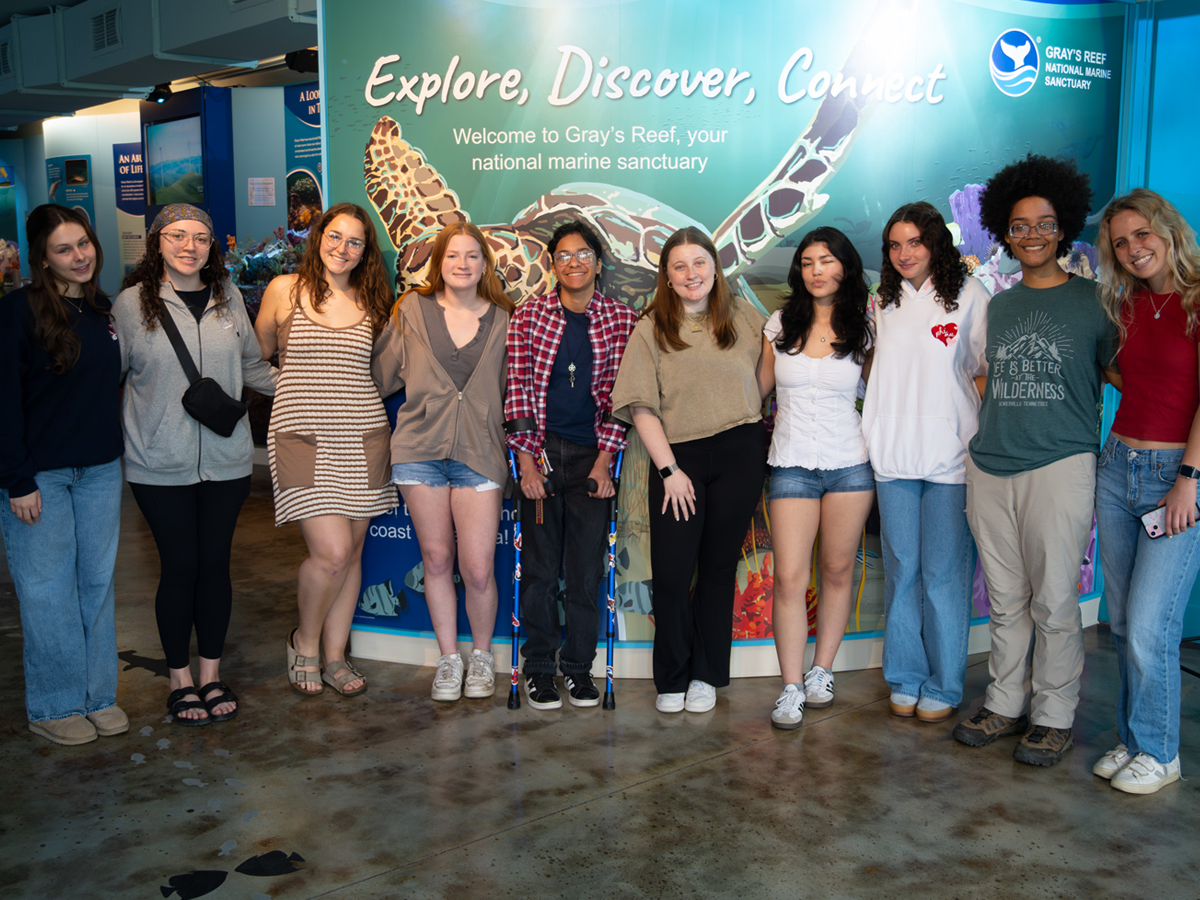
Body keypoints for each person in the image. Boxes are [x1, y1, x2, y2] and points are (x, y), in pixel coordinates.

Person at [951, 155, 1119, 765]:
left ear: (1064, 227)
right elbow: (985, 379)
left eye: (1044, 224)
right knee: (1006, 598)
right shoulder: (1000, 306)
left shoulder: (1097, 302)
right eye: (1019, 227)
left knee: (1053, 600)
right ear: (1005, 232)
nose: (1031, 236)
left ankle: (1053, 715)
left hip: (1061, 464)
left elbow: (1127, 374)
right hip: (991, 464)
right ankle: (1004, 702)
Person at [113, 204, 277, 726]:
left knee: (215, 566)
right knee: (180, 565)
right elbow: (107, 378)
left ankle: (210, 674)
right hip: (158, 463)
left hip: (226, 462)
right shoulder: (131, 305)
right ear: (157, 242)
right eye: (178, 236)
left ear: (212, 247)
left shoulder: (228, 299)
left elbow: (252, 366)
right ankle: (178, 677)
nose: (190, 246)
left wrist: (313, 388)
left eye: (201, 238)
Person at [610, 226, 767, 715]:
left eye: (699, 262)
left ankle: (706, 675)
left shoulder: (744, 317)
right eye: (679, 266)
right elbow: (641, 406)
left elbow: (771, 367)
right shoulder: (651, 327)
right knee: (675, 575)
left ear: (714, 267)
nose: (691, 273)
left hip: (740, 451)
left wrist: (746, 410)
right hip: (678, 462)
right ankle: (672, 677)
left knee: (719, 571)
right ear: (668, 276)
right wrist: (670, 471)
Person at [255, 203, 397, 698]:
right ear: (318, 238)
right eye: (335, 237)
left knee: (353, 553)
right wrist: (297, 391)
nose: (343, 248)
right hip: (301, 437)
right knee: (330, 552)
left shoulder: (374, 301)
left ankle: (336, 656)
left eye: (355, 241)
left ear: (365, 251)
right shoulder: (283, 291)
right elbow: (259, 359)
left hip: (364, 434)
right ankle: (305, 643)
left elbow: (382, 374)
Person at [0, 205, 125, 745]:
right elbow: (3, 401)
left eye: (83, 244)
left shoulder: (103, 309)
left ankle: (98, 696)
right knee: (47, 591)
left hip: (100, 470)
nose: (79, 257)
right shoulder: (17, 311)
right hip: (41, 476)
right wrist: (17, 479)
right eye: (63, 249)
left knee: (96, 586)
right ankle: (53, 706)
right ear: (42, 258)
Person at [373, 222, 513, 702]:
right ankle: (449, 659)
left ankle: (480, 657)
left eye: (472, 255)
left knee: (477, 569)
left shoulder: (505, 318)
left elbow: (519, 392)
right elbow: (382, 375)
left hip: (481, 454)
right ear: (439, 262)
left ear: (484, 264)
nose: (462, 264)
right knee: (436, 559)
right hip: (419, 452)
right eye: (453, 255)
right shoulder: (412, 309)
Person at [863, 202, 991, 724]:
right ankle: (906, 675)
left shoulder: (971, 296)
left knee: (943, 574)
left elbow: (984, 372)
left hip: (949, 460)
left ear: (936, 242)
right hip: (892, 456)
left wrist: (964, 427)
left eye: (914, 242)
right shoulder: (881, 303)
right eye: (894, 245)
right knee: (903, 569)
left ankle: (943, 682)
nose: (904, 254)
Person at [1091, 189, 1200, 793]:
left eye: (1141, 234)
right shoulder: (1127, 305)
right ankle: (1132, 739)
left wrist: (1190, 478)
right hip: (1118, 467)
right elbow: (1129, 375)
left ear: (1167, 230)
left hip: (1176, 477)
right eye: (1121, 242)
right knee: (1126, 624)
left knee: (1153, 623)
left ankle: (1161, 751)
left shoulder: (1197, 299)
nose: (1134, 249)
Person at [504, 221, 638, 709]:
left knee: (584, 572)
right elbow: (516, 387)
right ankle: (539, 670)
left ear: (599, 263)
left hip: (592, 459)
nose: (574, 262)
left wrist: (605, 463)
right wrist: (525, 465)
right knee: (540, 570)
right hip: (541, 455)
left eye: (584, 253)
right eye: (563, 255)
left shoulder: (623, 320)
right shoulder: (529, 316)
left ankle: (579, 669)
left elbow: (623, 399)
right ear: (552, 264)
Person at [758, 227, 875, 729]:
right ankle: (790, 686)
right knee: (787, 578)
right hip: (790, 465)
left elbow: (885, 395)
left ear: (844, 265)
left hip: (850, 464)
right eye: (807, 262)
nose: (816, 270)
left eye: (826, 260)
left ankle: (821, 670)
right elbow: (756, 393)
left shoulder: (867, 327)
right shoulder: (781, 323)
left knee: (836, 571)